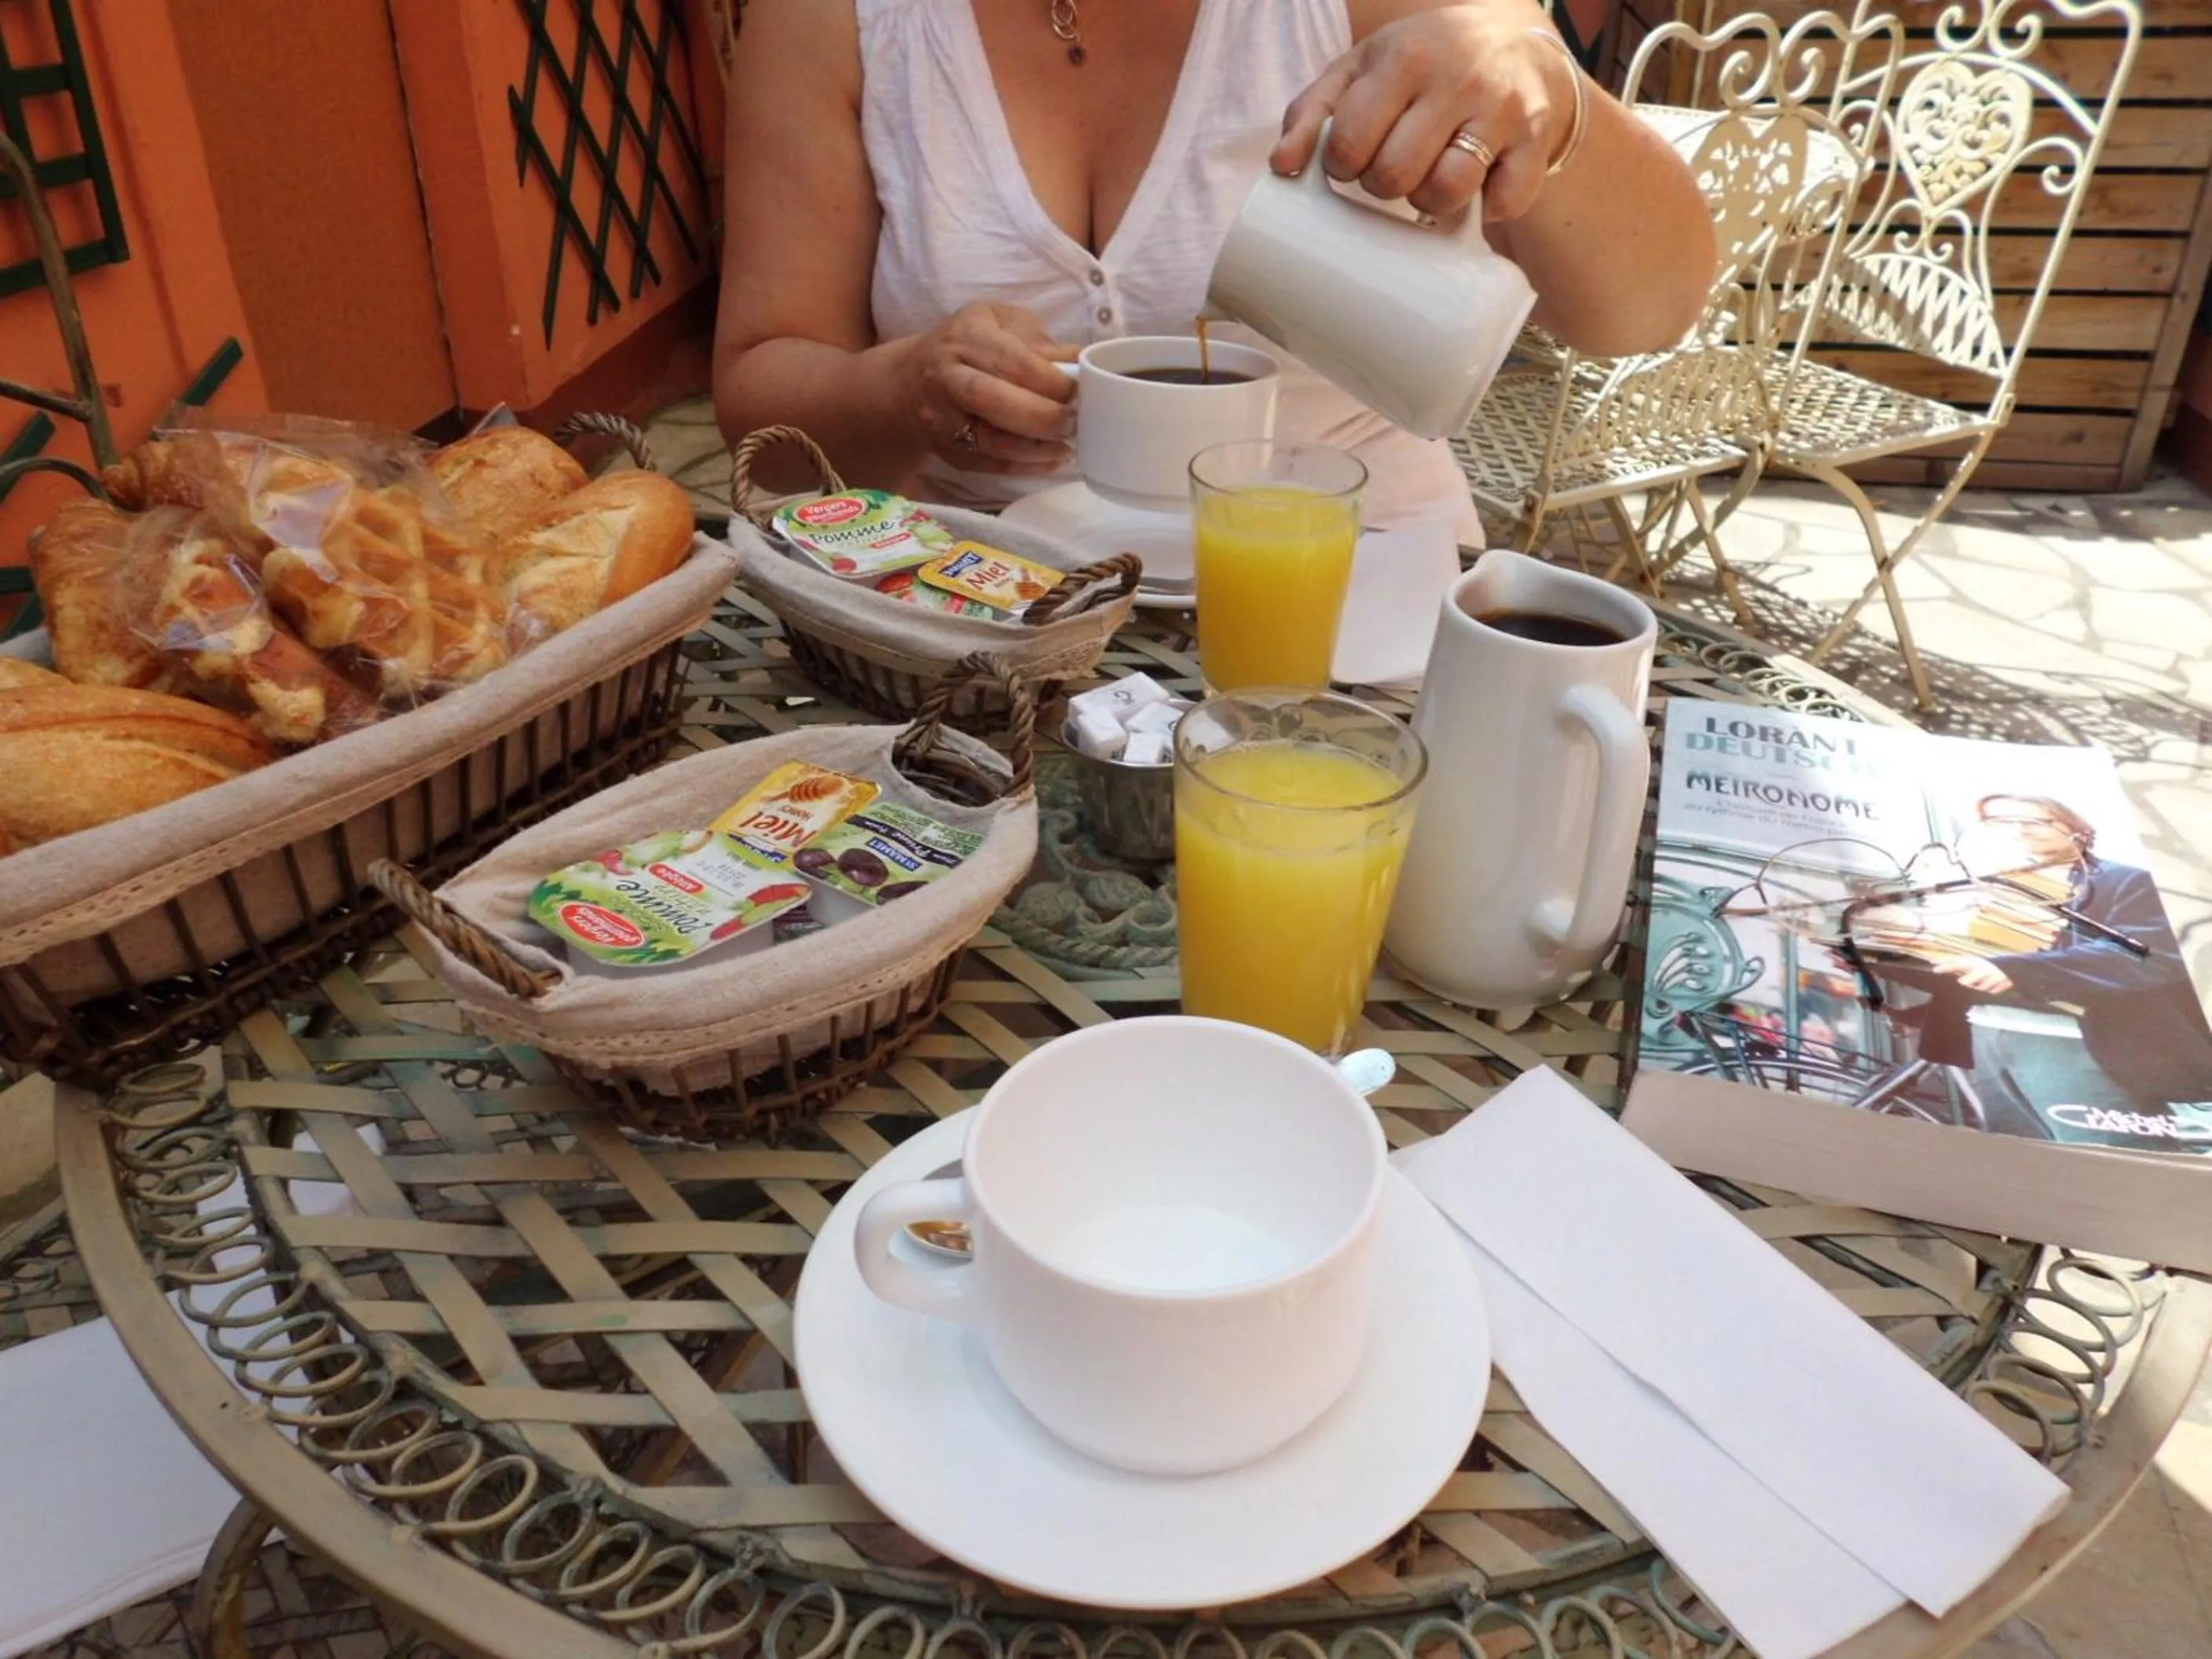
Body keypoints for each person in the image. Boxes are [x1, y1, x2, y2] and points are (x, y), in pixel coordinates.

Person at [712, 0, 1717, 538]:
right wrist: (900, 391)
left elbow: (1654, 308)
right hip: (974, 632)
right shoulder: (834, 17)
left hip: (1353, 618)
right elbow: (764, 405)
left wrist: (1548, 87)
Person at [1878, 794, 2212, 1146]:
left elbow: (2149, 956)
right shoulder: (1982, 889)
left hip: (2075, 1044)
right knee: (2021, 1156)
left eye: (2036, 820)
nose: (2018, 829)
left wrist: (2020, 970)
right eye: (1998, 821)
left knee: (2107, 1161)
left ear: (2077, 830)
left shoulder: (2126, 881)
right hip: (1990, 1038)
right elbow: (1961, 964)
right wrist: (1886, 963)